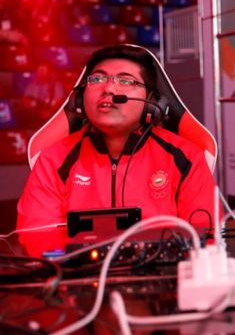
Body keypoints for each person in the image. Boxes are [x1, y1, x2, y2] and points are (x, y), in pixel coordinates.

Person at [16, 45, 217, 257]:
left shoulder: (186, 158)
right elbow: (36, 234)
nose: (109, 89)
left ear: (151, 101)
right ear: (79, 99)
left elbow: (205, 234)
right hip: (77, 280)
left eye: (126, 80)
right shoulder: (53, 160)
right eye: (97, 79)